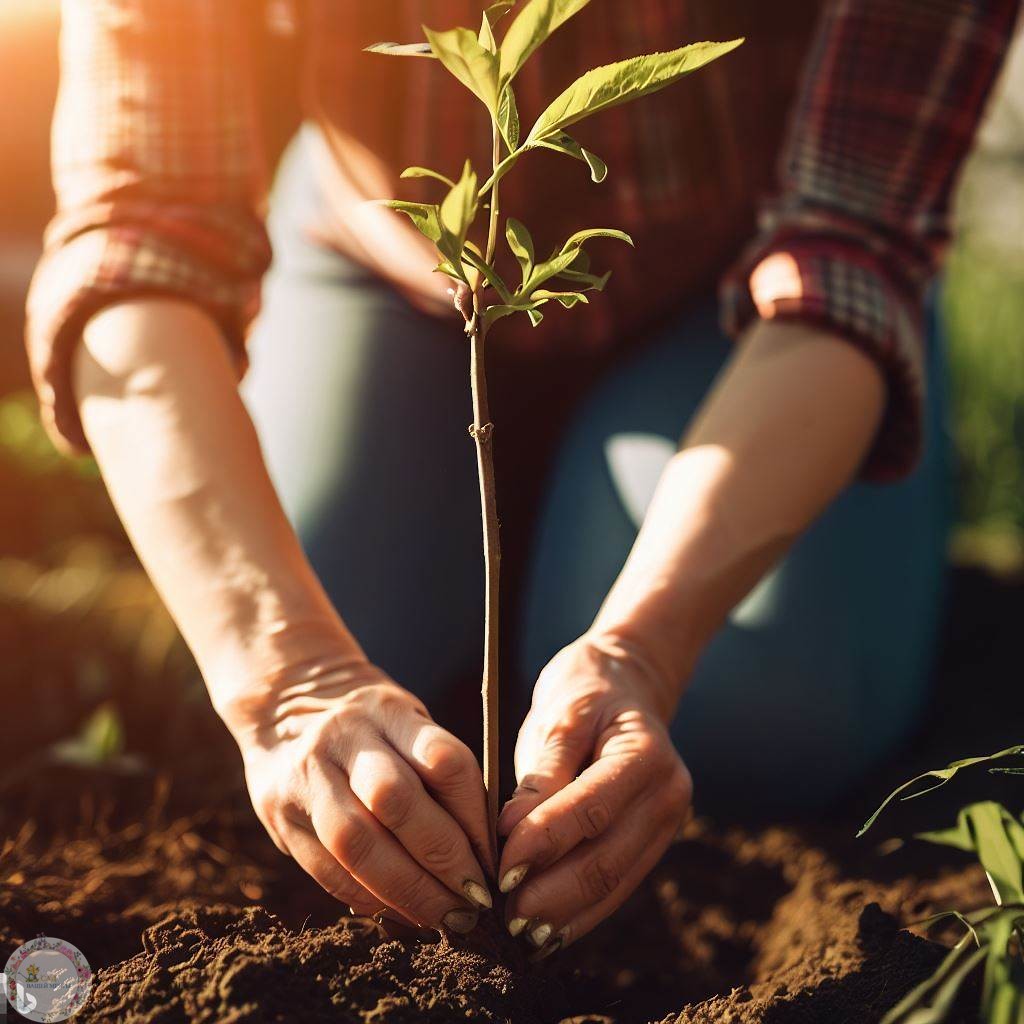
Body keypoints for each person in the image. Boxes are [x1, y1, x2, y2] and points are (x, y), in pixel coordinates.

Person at [26, 0, 1017, 959]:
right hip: (392, 261)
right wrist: (288, 683)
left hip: (745, 300)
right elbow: (140, 237)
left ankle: (582, 524)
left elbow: (849, 240)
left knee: (749, 710)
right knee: (322, 645)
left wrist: (643, 650)